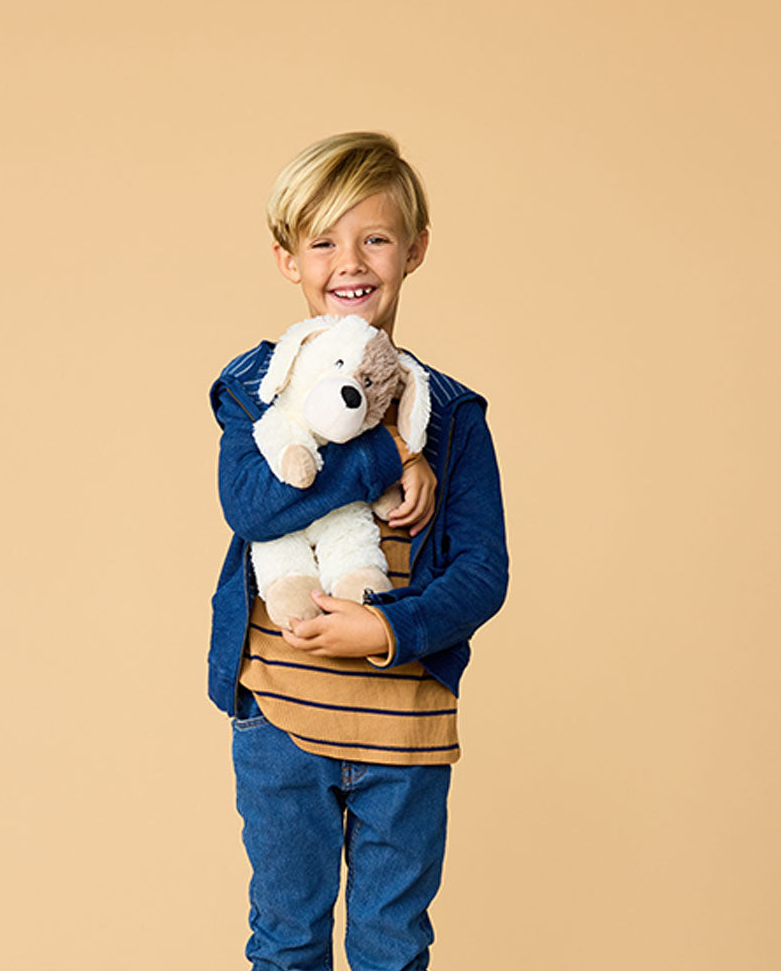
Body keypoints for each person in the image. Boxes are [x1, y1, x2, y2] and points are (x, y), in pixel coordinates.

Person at [207, 131, 509, 971]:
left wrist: (386, 631)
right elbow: (253, 505)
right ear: (286, 259)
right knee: (287, 941)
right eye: (323, 242)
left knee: (392, 946)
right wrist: (385, 455)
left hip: (404, 727)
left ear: (414, 250)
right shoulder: (256, 388)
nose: (351, 262)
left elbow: (483, 572)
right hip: (281, 718)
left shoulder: (452, 415)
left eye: (375, 238)